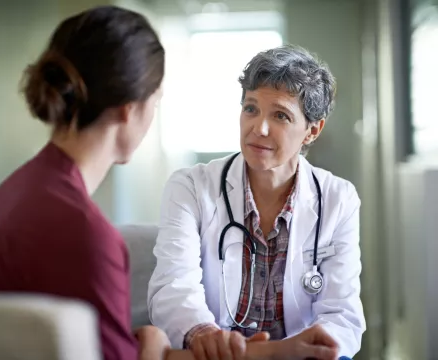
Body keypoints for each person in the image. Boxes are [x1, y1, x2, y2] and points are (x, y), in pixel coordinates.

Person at [0, 6, 340, 360]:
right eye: (155, 103)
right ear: (130, 111)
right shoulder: (84, 236)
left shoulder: (18, 190)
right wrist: (153, 344)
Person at [148, 44, 366, 360]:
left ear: (312, 130)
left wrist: (322, 348)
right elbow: (173, 288)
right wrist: (203, 334)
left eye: (280, 115)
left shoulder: (338, 199)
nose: (258, 128)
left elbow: (341, 312)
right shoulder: (191, 188)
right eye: (251, 108)